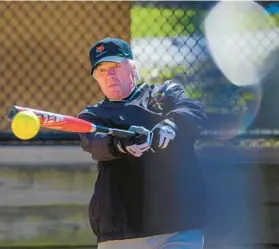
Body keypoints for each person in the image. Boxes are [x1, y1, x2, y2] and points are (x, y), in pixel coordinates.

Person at [78, 37, 207, 249]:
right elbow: (94, 143)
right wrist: (120, 144)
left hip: (179, 223)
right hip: (122, 229)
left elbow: (193, 111)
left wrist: (170, 125)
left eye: (115, 66)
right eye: (101, 70)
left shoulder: (164, 95)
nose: (109, 73)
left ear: (133, 68)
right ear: (96, 79)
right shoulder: (93, 116)